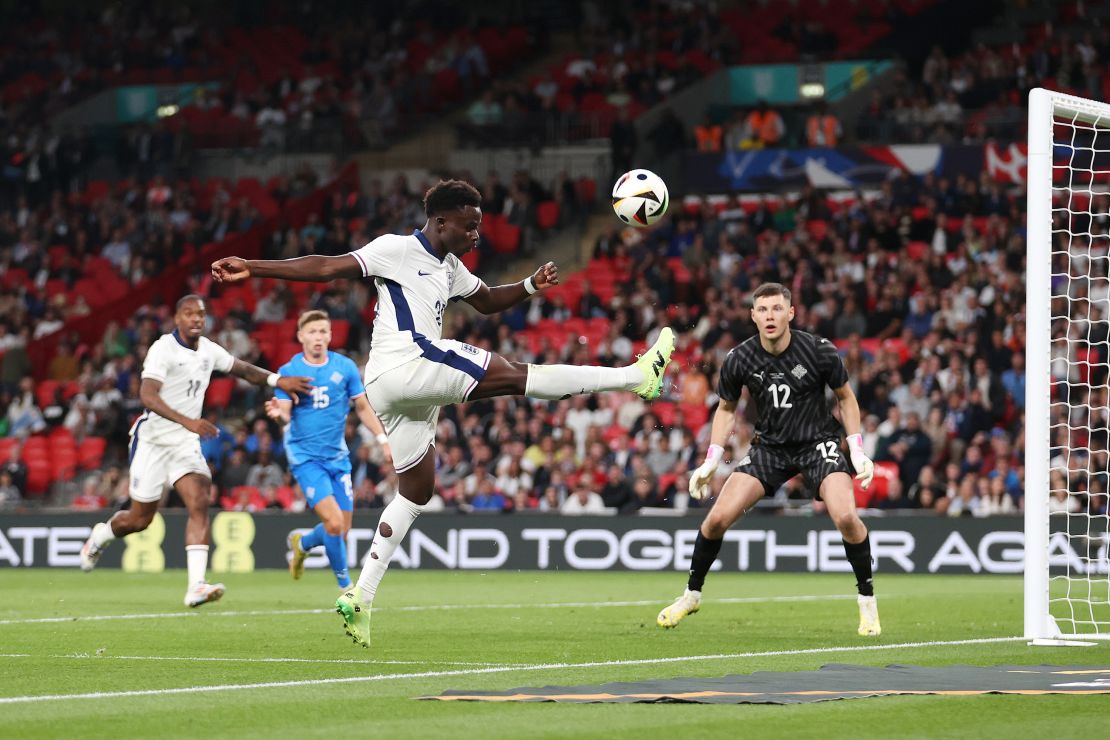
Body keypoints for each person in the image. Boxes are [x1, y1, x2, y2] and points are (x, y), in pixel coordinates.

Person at [211, 179, 675, 647]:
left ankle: (361, 596)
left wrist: (531, 285)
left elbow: (489, 300)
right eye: (470, 227)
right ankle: (635, 378)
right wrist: (252, 265)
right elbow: (327, 267)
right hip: (408, 362)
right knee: (517, 375)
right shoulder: (395, 249)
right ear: (440, 222)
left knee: (416, 491)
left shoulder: (450, 267)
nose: (477, 236)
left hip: (390, 387)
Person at [656, 283, 880, 636]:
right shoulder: (739, 358)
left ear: (790, 313)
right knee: (715, 520)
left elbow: (845, 398)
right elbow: (726, 409)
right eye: (763, 310)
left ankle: (867, 602)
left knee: (847, 517)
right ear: (753, 316)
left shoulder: (819, 351)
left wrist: (857, 449)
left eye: (777, 309)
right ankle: (691, 595)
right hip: (770, 449)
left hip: (817, 442)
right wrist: (712, 459)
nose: (770, 316)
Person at [78, 295, 312, 607]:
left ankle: (196, 585)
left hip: (184, 443)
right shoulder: (163, 349)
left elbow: (242, 369)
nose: (196, 319)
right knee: (139, 520)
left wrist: (277, 379)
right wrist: (188, 420)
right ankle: (100, 536)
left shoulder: (208, 350)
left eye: (201, 314)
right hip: (154, 441)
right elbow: (147, 395)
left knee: (200, 499)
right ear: (177, 318)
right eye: (189, 314)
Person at [265, 309, 392, 591]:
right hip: (305, 458)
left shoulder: (345, 368)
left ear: (330, 335)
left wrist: (382, 440)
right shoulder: (289, 372)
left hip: (338, 458)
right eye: (312, 332)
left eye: (323, 331)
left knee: (341, 530)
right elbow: (284, 413)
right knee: (334, 524)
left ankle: (303, 544)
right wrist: (277, 414)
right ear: (300, 337)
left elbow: (361, 406)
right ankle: (347, 588)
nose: (318, 337)